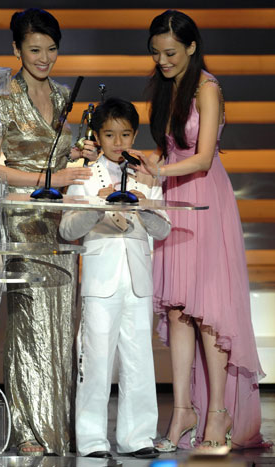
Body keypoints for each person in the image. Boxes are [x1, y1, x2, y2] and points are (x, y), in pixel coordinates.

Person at [129, 9, 268, 451]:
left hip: (206, 198)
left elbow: (204, 157)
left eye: (170, 52)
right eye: (155, 53)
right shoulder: (168, 89)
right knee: (176, 308)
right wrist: (150, 162)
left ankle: (218, 415)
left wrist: (162, 169)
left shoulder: (208, 89)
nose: (162, 60)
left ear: (191, 46)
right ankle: (183, 409)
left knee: (207, 310)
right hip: (176, 199)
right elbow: (170, 148)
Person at [0, 8, 98, 456]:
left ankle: (58, 429)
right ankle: (28, 430)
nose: (44, 57)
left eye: (51, 49)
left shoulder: (66, 94)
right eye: (34, 49)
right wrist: (51, 179)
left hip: (61, 218)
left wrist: (80, 153)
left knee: (61, 322)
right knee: (30, 322)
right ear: (16, 50)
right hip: (24, 216)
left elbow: (61, 155)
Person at [59, 97, 171, 459]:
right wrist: (98, 205)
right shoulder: (85, 174)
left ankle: (137, 437)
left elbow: (164, 228)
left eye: (125, 134)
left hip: (138, 281)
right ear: (98, 135)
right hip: (100, 281)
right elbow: (67, 228)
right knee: (94, 361)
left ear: (134, 134)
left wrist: (144, 204)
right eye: (110, 134)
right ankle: (91, 441)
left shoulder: (146, 172)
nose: (118, 142)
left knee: (139, 359)